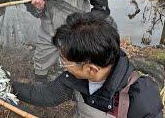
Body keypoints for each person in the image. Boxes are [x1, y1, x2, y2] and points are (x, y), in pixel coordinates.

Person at [12, 12, 163, 118]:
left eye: (65, 61)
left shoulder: (142, 99)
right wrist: (7, 85)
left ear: (91, 69)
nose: (62, 65)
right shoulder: (75, 78)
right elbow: (46, 95)